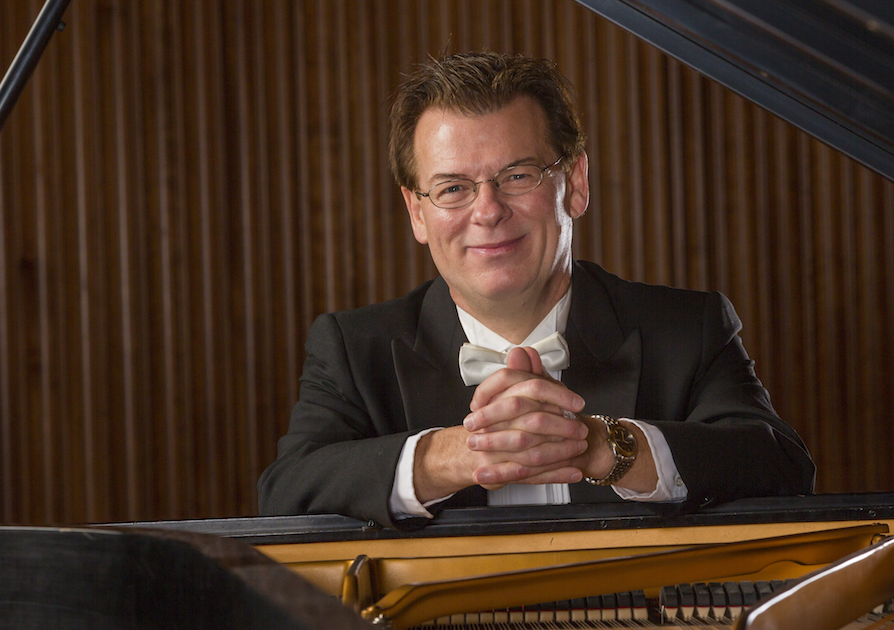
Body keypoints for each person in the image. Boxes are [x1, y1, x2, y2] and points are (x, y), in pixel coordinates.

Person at [257, 51, 814, 530]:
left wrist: (601, 446)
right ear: (417, 213)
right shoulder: (353, 349)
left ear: (575, 184)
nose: (488, 211)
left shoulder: (689, 327)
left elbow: (781, 467)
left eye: (517, 176)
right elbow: (286, 492)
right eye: (452, 188)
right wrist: (454, 454)